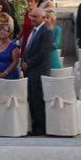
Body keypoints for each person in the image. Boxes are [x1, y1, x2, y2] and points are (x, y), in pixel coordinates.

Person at [21, 8, 53, 136]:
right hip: (30, 70)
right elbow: (28, 48)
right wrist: (23, 60)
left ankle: (40, 128)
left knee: (37, 99)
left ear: (42, 17)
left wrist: (28, 63)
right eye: (31, 16)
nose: (32, 18)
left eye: (35, 16)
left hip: (39, 70)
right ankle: (35, 125)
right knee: (32, 98)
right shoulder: (33, 31)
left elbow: (43, 53)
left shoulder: (47, 32)